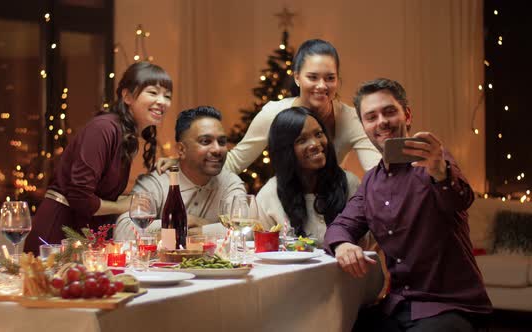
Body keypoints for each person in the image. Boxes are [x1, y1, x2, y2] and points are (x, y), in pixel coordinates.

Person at [324, 78, 491, 331]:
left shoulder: (435, 161)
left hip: (450, 306)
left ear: (407, 115)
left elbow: (461, 199)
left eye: (389, 111)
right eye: (371, 117)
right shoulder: (370, 182)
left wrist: (440, 171)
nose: (381, 121)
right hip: (398, 305)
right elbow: (340, 226)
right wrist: (343, 244)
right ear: (364, 127)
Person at [158, 39, 380, 175]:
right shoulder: (273, 113)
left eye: (330, 78)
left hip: (333, 203)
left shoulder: (351, 118)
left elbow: (376, 170)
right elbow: (235, 163)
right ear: (297, 78)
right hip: (285, 204)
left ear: (337, 80)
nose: (322, 85)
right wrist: (183, 165)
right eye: (313, 77)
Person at [24, 62, 173, 255]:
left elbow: (100, 193)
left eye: (167, 96)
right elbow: (79, 195)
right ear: (127, 96)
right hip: (56, 235)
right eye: (153, 92)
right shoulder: (104, 128)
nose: (162, 101)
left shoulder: (125, 135)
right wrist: (122, 205)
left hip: (80, 236)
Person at [114, 106, 246, 240]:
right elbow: (123, 229)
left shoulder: (229, 182)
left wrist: (204, 229)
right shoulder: (157, 182)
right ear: (181, 149)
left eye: (222, 142)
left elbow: (246, 230)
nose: (217, 149)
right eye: (205, 141)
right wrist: (184, 221)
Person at [255, 107, 359, 244]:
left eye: (318, 134)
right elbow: (265, 253)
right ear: (285, 151)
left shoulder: (350, 184)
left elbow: (367, 245)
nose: (316, 144)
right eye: (302, 140)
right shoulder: (269, 195)